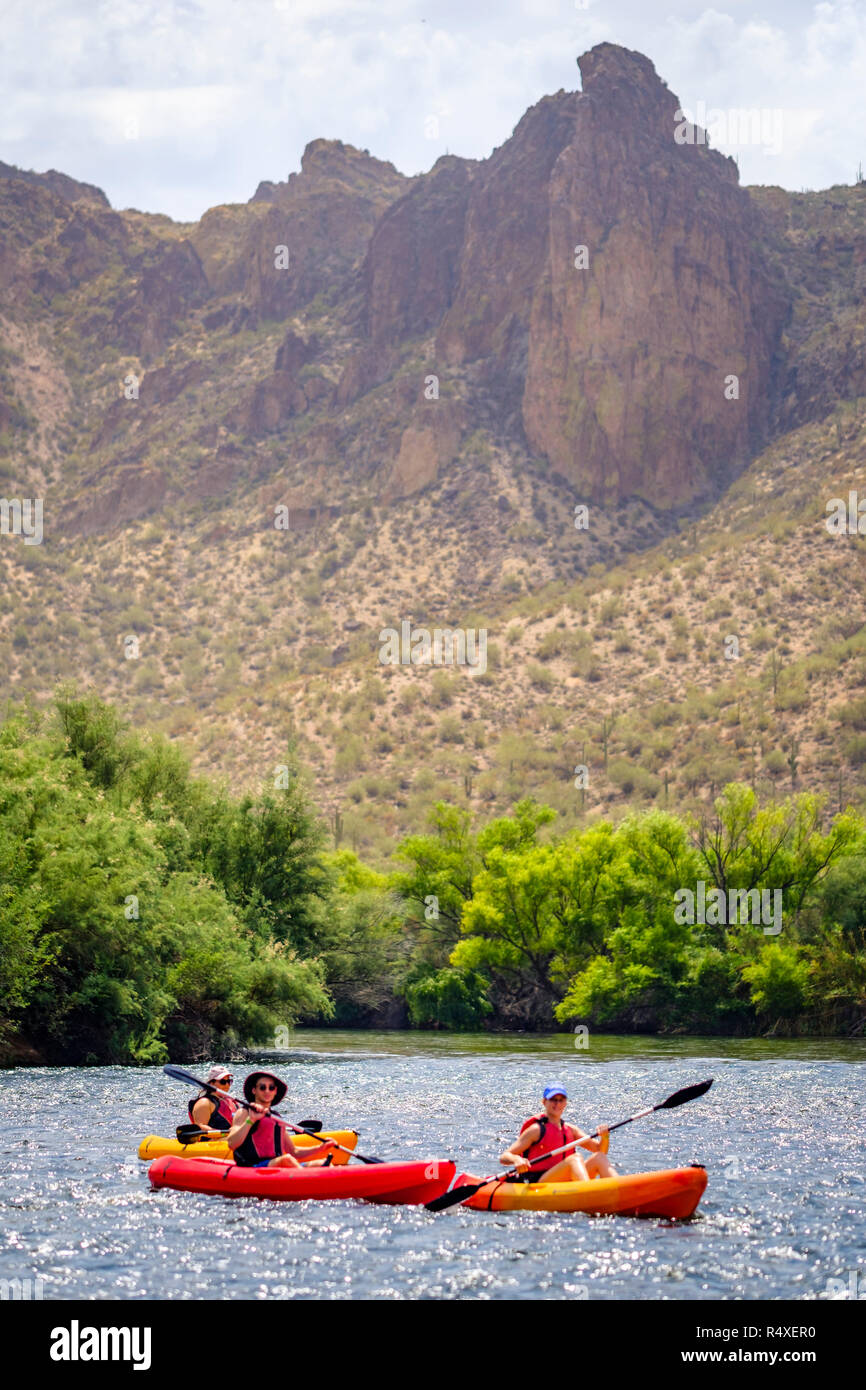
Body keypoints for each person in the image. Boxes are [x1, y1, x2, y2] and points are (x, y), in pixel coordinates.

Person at [500, 1085, 617, 1183]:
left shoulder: (571, 1130)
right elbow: (505, 1156)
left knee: (599, 1157)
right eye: (553, 1100)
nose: (557, 1104)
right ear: (544, 1102)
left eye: (561, 1100)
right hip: (539, 1181)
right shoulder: (536, 1130)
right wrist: (516, 1160)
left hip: (563, 1180)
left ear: (565, 1103)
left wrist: (605, 1137)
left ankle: (619, 1189)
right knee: (575, 1159)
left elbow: (600, 1150)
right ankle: (588, 1193)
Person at [227, 1070, 336, 1169]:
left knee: (322, 1164)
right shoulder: (244, 1113)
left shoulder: (276, 1117)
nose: (267, 1091)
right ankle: (305, 1180)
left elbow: (294, 1151)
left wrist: (320, 1148)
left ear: (275, 1091)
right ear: (254, 1090)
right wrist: (251, 1120)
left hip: (276, 1165)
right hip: (253, 1167)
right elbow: (232, 1143)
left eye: (271, 1088)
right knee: (286, 1159)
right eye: (262, 1087)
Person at [188, 1066, 239, 1134]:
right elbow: (200, 1127)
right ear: (211, 1083)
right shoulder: (204, 1103)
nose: (227, 1085)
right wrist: (226, 1134)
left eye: (229, 1081)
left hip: (232, 1139)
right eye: (223, 1082)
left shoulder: (231, 1101)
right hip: (213, 1141)